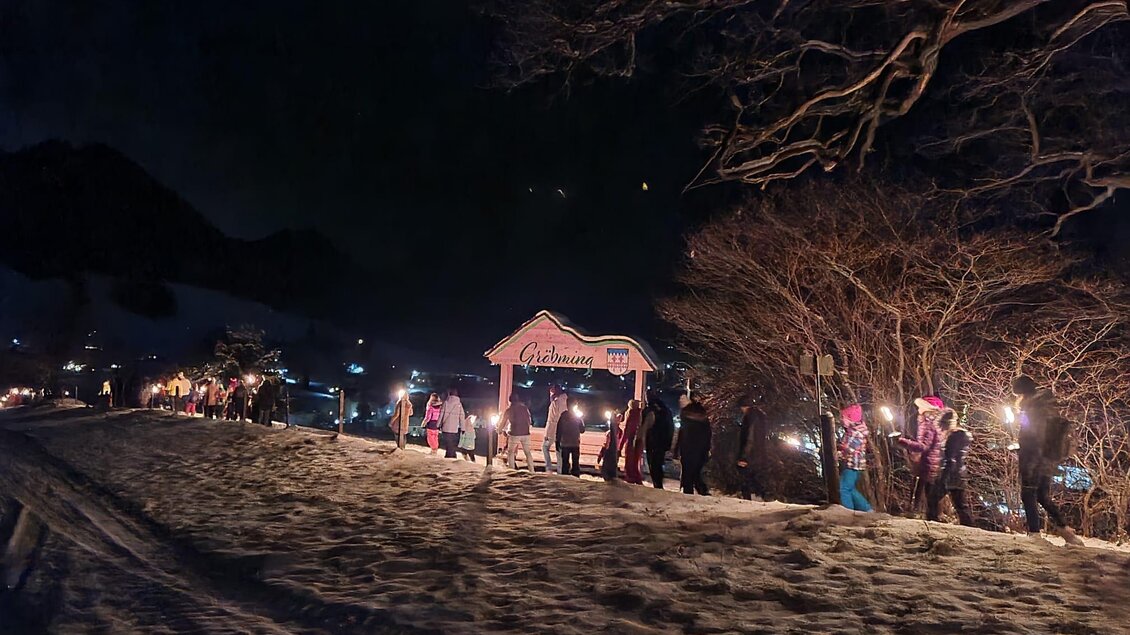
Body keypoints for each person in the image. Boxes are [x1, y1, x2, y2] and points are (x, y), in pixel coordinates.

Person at [1012, 375, 1084, 545]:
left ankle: (1035, 534)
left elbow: (1033, 436)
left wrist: (1027, 454)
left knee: (1028, 493)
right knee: (1042, 496)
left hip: (1034, 458)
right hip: (1048, 457)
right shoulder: (1046, 405)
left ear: (1022, 393)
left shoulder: (1033, 408)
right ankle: (1067, 532)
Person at [898, 396, 946, 514]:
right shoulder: (938, 422)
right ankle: (930, 516)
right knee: (927, 492)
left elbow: (924, 446)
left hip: (927, 462)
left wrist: (902, 442)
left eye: (920, 406)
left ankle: (916, 514)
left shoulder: (928, 422)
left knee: (919, 491)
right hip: (934, 462)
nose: (918, 409)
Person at [929, 410, 974, 526]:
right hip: (958, 474)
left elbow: (950, 458)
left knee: (933, 499)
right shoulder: (960, 435)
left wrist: (944, 478)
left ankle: (932, 523)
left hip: (951, 474)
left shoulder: (954, 436)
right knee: (960, 504)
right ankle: (968, 526)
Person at [838, 404, 872, 512]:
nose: (841, 420)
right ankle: (866, 509)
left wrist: (842, 449)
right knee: (850, 488)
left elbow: (852, 450)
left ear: (850, 419)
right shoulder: (853, 431)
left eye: (843, 418)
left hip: (853, 463)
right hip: (855, 463)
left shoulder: (854, 433)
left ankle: (847, 511)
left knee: (844, 489)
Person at [675, 397, 711, 496]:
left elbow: (682, 434)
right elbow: (708, 434)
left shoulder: (685, 415)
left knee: (687, 473)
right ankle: (702, 491)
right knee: (695, 472)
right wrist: (707, 448)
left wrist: (676, 450)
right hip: (701, 449)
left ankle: (688, 493)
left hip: (687, 448)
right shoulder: (703, 416)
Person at [736, 396, 768, 501]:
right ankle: (761, 496)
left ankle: (750, 499)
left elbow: (750, 437)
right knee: (754, 476)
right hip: (758, 453)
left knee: (746, 478)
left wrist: (743, 456)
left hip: (750, 453)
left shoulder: (749, 418)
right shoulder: (760, 416)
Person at [640, 392, 674, 489]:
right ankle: (658, 482)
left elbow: (646, 425)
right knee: (658, 462)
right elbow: (670, 427)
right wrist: (669, 442)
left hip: (653, 440)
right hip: (663, 441)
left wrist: (640, 438)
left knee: (653, 463)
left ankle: (657, 484)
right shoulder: (666, 411)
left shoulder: (650, 410)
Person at [500, 392, 534, 472]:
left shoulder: (509, 410)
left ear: (510, 401)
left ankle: (511, 469)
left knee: (511, 452)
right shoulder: (524, 408)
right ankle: (531, 470)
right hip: (526, 433)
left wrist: (499, 430)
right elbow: (529, 420)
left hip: (514, 433)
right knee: (527, 452)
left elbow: (503, 422)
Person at [619, 400, 644, 484]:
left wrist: (621, 445)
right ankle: (636, 477)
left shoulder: (632, 414)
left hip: (631, 440)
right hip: (639, 439)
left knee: (630, 459)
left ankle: (631, 477)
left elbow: (628, 429)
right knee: (636, 460)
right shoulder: (641, 413)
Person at [556, 405, 585, 477]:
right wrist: (581, 419)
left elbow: (559, 430)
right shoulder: (577, 417)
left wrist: (557, 441)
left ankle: (565, 478)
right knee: (575, 463)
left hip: (565, 443)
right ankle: (575, 477)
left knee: (565, 463)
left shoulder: (563, 416)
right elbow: (582, 430)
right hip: (575, 443)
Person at [545, 385, 567, 474]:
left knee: (545, 447)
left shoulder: (555, 403)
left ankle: (549, 468)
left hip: (553, 429)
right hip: (563, 429)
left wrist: (546, 433)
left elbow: (551, 419)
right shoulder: (565, 401)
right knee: (559, 450)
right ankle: (560, 470)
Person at [439, 388, 466, 459]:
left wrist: (438, 424)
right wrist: (463, 428)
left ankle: (450, 455)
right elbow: (462, 417)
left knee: (448, 442)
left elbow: (441, 414)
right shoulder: (459, 404)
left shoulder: (446, 402)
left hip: (445, 426)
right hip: (454, 428)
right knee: (452, 442)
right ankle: (451, 455)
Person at [598, 413, 623, 481]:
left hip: (612, 449)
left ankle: (609, 476)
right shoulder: (612, 432)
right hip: (609, 449)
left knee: (610, 464)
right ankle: (609, 476)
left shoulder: (618, 431)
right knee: (609, 464)